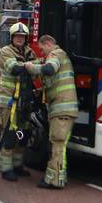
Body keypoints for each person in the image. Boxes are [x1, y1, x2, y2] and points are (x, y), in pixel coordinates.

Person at [25, 34, 78, 189]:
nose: (41, 52)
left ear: (48, 43)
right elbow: (54, 79)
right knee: (61, 145)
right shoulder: (61, 56)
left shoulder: (56, 54)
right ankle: (60, 177)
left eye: (42, 49)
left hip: (61, 108)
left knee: (57, 144)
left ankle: (53, 180)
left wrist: (31, 68)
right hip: (66, 108)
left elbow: (49, 69)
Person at [0, 23, 37, 181]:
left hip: (25, 100)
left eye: (22, 36)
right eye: (17, 36)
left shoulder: (29, 52)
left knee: (24, 135)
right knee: (9, 135)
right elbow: (14, 68)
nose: (20, 39)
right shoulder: (5, 51)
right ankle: (6, 169)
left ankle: (18, 165)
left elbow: (36, 71)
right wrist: (30, 66)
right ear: (12, 37)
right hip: (9, 101)